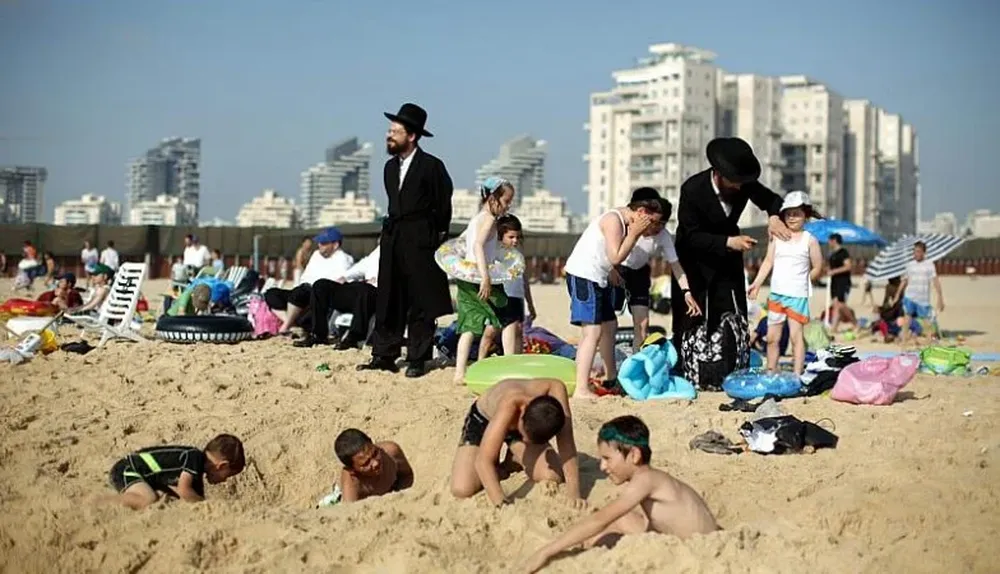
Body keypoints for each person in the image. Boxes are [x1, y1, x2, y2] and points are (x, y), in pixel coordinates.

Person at [522, 416, 719, 573]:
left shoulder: (645, 480)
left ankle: (583, 554)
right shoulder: (652, 477)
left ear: (634, 455)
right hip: (693, 540)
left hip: (702, 555)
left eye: (607, 458)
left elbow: (600, 519)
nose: (602, 466)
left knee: (604, 525)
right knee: (621, 519)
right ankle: (586, 548)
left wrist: (546, 551)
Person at [672, 137, 791, 371]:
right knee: (691, 315)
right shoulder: (692, 189)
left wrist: (774, 217)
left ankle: (731, 365)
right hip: (693, 259)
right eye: (734, 182)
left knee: (732, 311)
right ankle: (687, 367)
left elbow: (773, 200)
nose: (739, 187)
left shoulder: (743, 182)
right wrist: (728, 241)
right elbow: (691, 235)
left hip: (728, 259)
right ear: (718, 173)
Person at [358, 103, 454, 379]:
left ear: (411, 136)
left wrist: (435, 237)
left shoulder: (432, 166)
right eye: (389, 130)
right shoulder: (389, 168)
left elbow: (443, 206)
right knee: (388, 297)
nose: (389, 135)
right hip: (393, 238)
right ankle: (384, 355)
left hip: (422, 238)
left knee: (420, 301)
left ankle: (417, 358)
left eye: (395, 131)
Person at [563, 196, 663, 399]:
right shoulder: (614, 220)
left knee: (610, 325)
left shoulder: (624, 221)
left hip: (600, 277)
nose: (650, 229)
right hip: (584, 276)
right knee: (592, 331)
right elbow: (616, 256)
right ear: (641, 212)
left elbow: (603, 253)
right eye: (650, 222)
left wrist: (611, 271)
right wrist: (634, 234)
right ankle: (581, 388)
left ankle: (610, 377)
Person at [449, 377, 582, 507]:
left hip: (521, 425)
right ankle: (508, 456)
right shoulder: (510, 402)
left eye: (528, 440)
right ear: (522, 411)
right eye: (525, 437)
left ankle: (511, 460)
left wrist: (574, 493)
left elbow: (567, 443)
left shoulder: (556, 392)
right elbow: (483, 461)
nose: (525, 440)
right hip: (483, 419)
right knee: (462, 489)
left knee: (552, 476)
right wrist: (501, 503)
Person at [748, 192, 823, 374]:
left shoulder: (809, 240)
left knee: (796, 338)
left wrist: (805, 281)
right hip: (777, 295)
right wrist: (756, 283)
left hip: (798, 297)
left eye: (796, 213)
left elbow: (818, 266)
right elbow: (768, 262)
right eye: (788, 213)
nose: (792, 217)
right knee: (773, 338)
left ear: (805, 214)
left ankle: (797, 376)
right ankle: (771, 371)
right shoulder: (777, 237)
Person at [616, 190, 702, 350]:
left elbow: (675, 265)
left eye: (662, 224)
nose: (657, 228)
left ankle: (637, 360)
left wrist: (687, 292)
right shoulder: (627, 225)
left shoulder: (663, 236)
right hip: (617, 269)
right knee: (609, 319)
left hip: (639, 273)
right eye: (654, 223)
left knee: (642, 324)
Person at [453, 177, 515, 384]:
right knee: (504, 317)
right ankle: (505, 362)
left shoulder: (476, 219)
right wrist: (486, 278)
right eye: (506, 201)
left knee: (469, 326)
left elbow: (465, 243)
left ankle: (459, 373)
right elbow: (479, 246)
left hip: (467, 277)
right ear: (492, 198)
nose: (508, 205)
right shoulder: (489, 220)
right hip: (481, 278)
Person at [103, 434, 245, 510]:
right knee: (149, 499)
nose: (224, 480)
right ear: (222, 466)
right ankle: (102, 502)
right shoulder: (194, 457)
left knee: (163, 498)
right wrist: (207, 506)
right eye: (227, 476)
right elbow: (184, 491)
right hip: (128, 469)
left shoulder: (195, 475)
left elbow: (185, 494)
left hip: (144, 477)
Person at [264, 228, 353, 335]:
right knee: (271, 294)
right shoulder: (316, 255)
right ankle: (291, 325)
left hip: (319, 297)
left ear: (335, 245)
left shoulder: (344, 259)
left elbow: (337, 283)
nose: (320, 245)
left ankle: (285, 326)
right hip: (304, 290)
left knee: (302, 292)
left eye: (324, 243)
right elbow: (305, 276)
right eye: (319, 242)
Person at [296, 244, 380, 350]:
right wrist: (345, 276)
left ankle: (354, 337)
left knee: (365, 290)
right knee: (321, 285)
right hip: (361, 288)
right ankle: (318, 334)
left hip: (378, 292)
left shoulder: (399, 250)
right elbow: (362, 266)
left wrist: (379, 280)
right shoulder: (378, 250)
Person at [333, 428, 413, 503]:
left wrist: (399, 497)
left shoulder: (391, 452)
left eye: (375, 453)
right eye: (366, 463)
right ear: (352, 471)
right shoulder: (352, 483)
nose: (375, 463)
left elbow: (407, 476)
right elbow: (351, 514)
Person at [496, 215, 537, 355]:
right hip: (505, 296)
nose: (515, 241)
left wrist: (530, 304)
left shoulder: (519, 254)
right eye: (511, 237)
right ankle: (508, 358)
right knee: (509, 327)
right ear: (501, 236)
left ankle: (517, 358)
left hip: (518, 297)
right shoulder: (497, 254)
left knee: (519, 329)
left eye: (518, 237)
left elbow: (524, 281)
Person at [891, 241, 944, 344]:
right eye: (914, 252)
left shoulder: (929, 265)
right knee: (907, 321)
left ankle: (928, 347)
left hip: (923, 299)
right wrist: (897, 295)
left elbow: (935, 280)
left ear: (924, 252)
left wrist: (940, 297)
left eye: (919, 251)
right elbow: (904, 281)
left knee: (927, 323)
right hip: (910, 296)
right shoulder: (910, 265)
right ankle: (904, 346)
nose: (916, 254)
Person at [826, 233, 853, 333]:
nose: (828, 243)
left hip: (843, 282)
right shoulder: (832, 254)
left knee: (841, 305)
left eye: (829, 240)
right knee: (835, 304)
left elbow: (848, 266)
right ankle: (834, 327)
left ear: (834, 241)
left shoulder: (843, 252)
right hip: (834, 282)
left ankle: (854, 323)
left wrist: (834, 271)